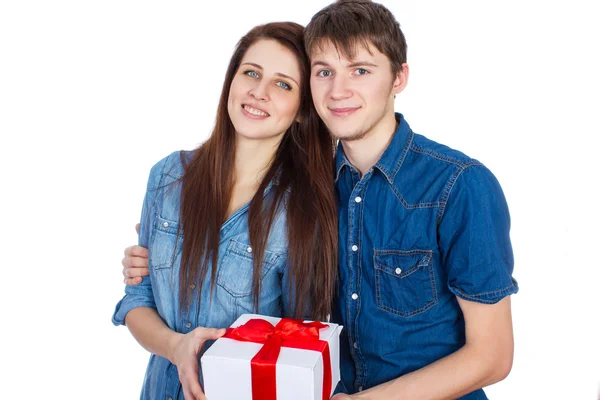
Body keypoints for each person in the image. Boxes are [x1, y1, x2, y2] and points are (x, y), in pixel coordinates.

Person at [123, 1, 518, 398]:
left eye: (360, 70)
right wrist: (157, 256)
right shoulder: (313, 191)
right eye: (324, 72)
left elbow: (493, 355)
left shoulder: (459, 185)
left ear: (399, 77)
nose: (338, 90)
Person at [112, 22, 338, 400]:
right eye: (251, 73)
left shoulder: (303, 212)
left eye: (283, 84)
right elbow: (137, 301)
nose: (259, 92)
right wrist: (176, 347)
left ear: (302, 110)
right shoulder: (168, 176)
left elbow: (301, 349)